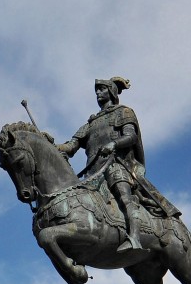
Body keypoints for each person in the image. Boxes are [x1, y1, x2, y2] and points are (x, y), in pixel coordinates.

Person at [56, 77, 181, 254]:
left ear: (112, 92)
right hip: (92, 172)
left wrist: (114, 144)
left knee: (123, 194)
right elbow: (70, 146)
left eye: (102, 89)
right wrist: (50, 145)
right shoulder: (90, 124)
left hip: (116, 164)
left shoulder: (124, 112)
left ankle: (135, 237)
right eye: (96, 90)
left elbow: (131, 137)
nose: (98, 93)